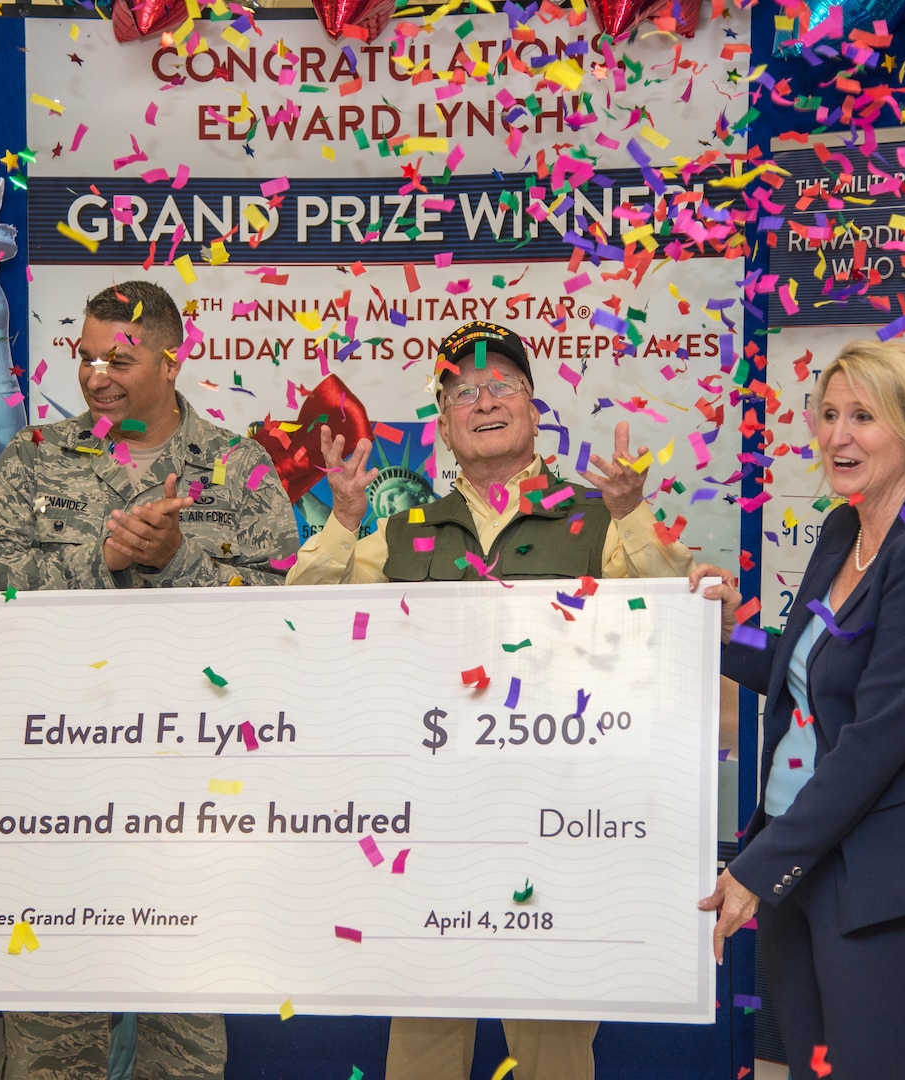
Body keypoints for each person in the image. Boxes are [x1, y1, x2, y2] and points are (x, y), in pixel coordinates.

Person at [289, 319, 693, 1080]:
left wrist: (634, 513)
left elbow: (674, 619)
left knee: (553, 1043)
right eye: (462, 390)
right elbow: (307, 626)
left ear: (535, 409)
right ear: (443, 424)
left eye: (500, 383)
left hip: (560, 822)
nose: (483, 399)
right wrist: (343, 523)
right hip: (431, 822)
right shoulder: (403, 531)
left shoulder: (600, 515)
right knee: (425, 1040)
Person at [0, 279, 298, 1080]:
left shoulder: (237, 465)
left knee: (183, 1026)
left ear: (173, 359)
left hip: (194, 782)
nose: (98, 375)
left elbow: (287, 612)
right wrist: (103, 559)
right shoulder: (35, 456)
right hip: (57, 776)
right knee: (51, 1028)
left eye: (121, 357)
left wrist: (175, 561)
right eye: (85, 357)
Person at [690, 340, 905, 1080]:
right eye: (828, 414)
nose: (836, 435)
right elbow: (809, 678)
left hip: (889, 884)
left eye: (863, 416)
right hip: (806, 863)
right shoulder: (843, 532)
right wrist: (720, 631)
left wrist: (757, 867)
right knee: (812, 1072)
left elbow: (874, 741)